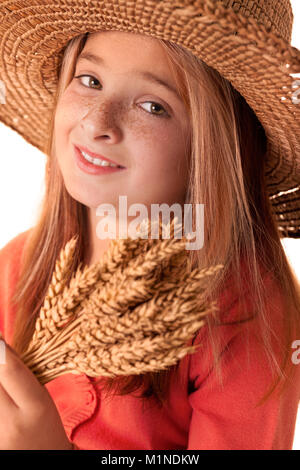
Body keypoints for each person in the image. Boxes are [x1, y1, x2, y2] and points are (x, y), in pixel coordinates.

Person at [0, 0, 300, 450]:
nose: (97, 122)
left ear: (216, 147)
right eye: (90, 80)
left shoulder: (246, 313)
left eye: (153, 106)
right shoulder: (20, 265)